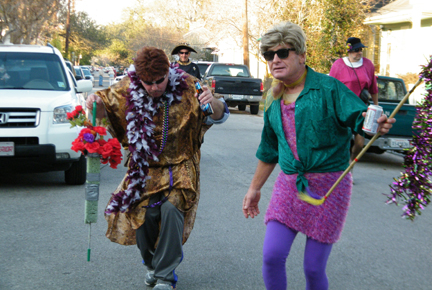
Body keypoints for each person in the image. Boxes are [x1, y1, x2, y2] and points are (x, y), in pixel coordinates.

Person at [241, 22, 395, 290]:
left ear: (301, 55)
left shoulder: (329, 88)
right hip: (289, 185)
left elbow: (359, 117)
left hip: (330, 187)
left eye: (283, 53)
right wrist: (254, 189)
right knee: (272, 257)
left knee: (313, 268)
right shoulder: (272, 98)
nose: (275, 60)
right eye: (269, 55)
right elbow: (269, 149)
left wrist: (374, 124)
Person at [86, 47, 229, 290]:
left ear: (168, 73)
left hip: (181, 164)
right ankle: (152, 264)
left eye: (159, 81)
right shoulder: (126, 88)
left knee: (172, 209)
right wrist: (94, 103)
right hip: (145, 168)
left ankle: (165, 275)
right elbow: (103, 110)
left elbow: (219, 114)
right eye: (147, 83)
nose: (153, 88)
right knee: (145, 216)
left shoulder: (189, 85)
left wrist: (212, 101)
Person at [329, 37, 379, 162]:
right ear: (349, 51)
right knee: (341, 140)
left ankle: (351, 163)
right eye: (356, 50)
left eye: (361, 49)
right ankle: (340, 166)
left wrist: (377, 107)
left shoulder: (368, 64)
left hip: (361, 109)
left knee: (360, 143)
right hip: (342, 108)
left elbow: (373, 87)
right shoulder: (338, 65)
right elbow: (329, 87)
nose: (359, 52)